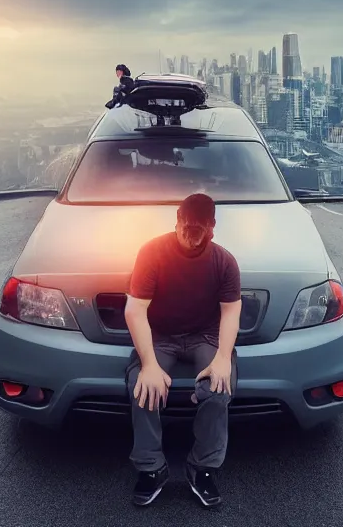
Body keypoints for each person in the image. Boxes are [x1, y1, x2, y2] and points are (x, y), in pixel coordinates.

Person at [124, 193, 242, 508]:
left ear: (212, 227)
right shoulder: (152, 252)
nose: (191, 237)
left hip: (206, 335)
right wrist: (149, 364)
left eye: (199, 230)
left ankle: (202, 467)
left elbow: (231, 312)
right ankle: (151, 468)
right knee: (142, 385)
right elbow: (135, 311)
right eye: (186, 227)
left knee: (218, 389)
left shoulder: (224, 261)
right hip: (161, 335)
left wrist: (222, 360)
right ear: (177, 218)